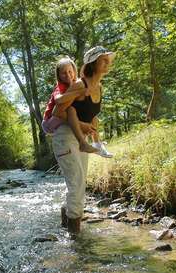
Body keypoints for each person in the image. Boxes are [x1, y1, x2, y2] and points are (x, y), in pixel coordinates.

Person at [51, 46, 116, 233]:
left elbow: (93, 115)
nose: (108, 62)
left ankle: (66, 225)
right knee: (78, 185)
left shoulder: (100, 87)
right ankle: (75, 240)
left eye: (108, 59)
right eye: (103, 60)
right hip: (65, 137)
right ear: (93, 64)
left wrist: (96, 137)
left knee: (78, 184)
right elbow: (57, 112)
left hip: (81, 138)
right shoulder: (80, 85)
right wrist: (81, 126)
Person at [41, 57, 99, 154]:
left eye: (70, 71)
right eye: (63, 73)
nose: (68, 75)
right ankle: (82, 143)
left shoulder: (76, 83)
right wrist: (80, 92)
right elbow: (59, 100)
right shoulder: (61, 86)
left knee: (93, 116)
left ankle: (97, 143)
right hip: (49, 121)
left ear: (74, 71)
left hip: (61, 117)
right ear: (59, 75)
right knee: (71, 110)